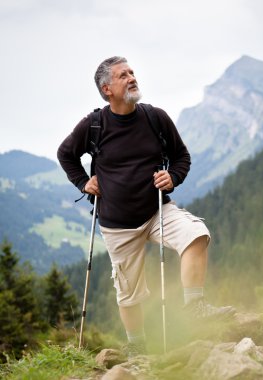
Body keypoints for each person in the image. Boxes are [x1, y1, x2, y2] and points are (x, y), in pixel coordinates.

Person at [57, 56, 235, 356]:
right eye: (122, 75)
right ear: (107, 89)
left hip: (157, 212)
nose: (131, 77)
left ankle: (195, 307)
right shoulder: (94, 125)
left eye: (132, 72)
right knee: (129, 294)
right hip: (117, 224)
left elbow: (181, 157)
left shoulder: (155, 118)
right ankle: (137, 350)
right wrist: (83, 183)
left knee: (197, 235)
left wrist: (172, 176)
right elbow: (65, 154)